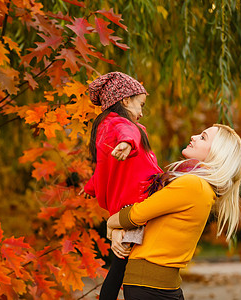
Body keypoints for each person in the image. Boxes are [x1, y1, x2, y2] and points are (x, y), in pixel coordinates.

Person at [107, 124, 241, 300]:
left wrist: (110, 224)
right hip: (153, 285)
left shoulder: (194, 185)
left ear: (217, 154)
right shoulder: (201, 187)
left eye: (203, 137)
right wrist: (118, 229)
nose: (194, 136)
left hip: (152, 287)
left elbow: (136, 214)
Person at [82, 72, 163, 300]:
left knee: (120, 265)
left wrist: (89, 187)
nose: (141, 112)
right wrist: (127, 143)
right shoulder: (117, 124)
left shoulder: (108, 128)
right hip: (135, 204)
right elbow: (126, 133)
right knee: (120, 265)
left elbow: (103, 170)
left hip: (133, 202)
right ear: (125, 100)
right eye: (140, 105)